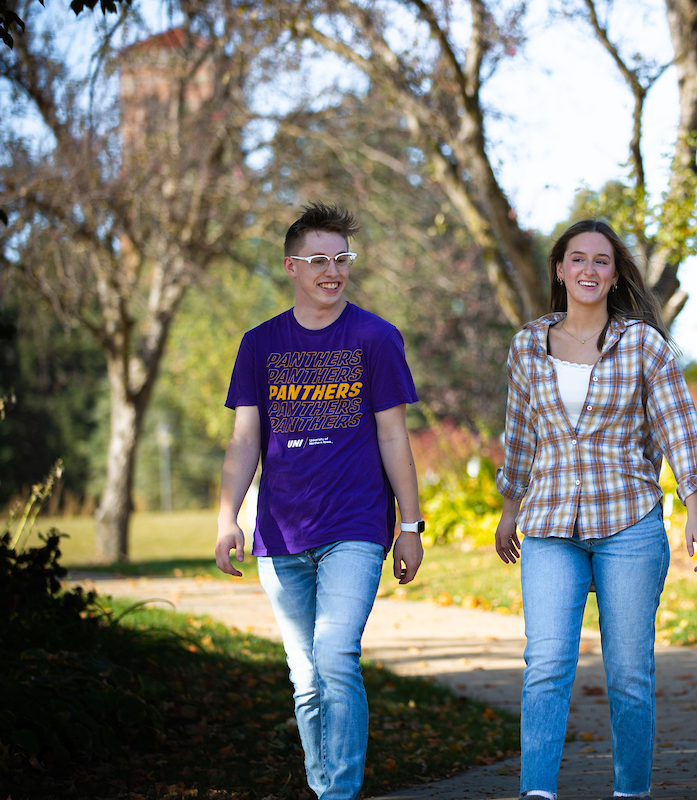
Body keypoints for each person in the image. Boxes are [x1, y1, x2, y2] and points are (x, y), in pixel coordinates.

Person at [494, 219, 697, 800]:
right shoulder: (527, 345)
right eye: (577, 259)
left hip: (630, 525)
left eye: (601, 261)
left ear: (616, 275)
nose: (588, 270)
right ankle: (537, 792)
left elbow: (679, 429)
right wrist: (509, 507)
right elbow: (520, 436)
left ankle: (630, 793)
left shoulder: (642, 344)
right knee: (544, 667)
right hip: (547, 527)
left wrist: (695, 507)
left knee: (629, 677)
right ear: (560, 271)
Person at [214, 202, 426, 800]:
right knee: (305, 679)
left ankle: (341, 793)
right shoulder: (259, 345)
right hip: (280, 532)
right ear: (291, 266)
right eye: (318, 260)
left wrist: (409, 524)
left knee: (334, 655)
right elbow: (245, 440)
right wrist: (228, 516)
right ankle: (323, 784)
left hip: (355, 524)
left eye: (341, 259)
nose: (332, 271)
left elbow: (392, 435)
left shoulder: (375, 338)